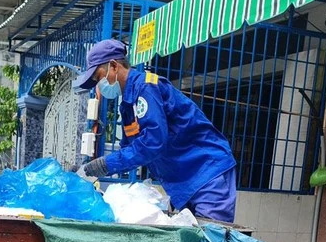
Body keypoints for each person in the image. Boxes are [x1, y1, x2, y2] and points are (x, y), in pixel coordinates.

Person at [73, 39, 237, 223]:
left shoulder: (147, 87)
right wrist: (90, 170)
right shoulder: (128, 106)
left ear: (113, 66)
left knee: (212, 239)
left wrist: (105, 165)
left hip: (206, 171)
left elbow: (152, 143)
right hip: (183, 180)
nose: (99, 85)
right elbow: (131, 151)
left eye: (99, 77)